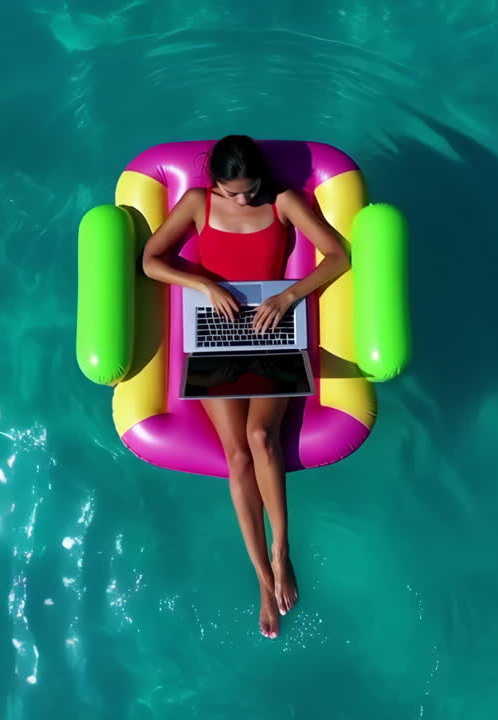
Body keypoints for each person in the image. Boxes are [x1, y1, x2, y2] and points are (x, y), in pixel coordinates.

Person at [141, 135, 349, 639]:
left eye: (250, 188)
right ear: (214, 183)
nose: (242, 200)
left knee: (260, 438)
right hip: (216, 330)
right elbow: (151, 260)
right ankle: (261, 579)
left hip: (273, 327)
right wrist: (205, 285)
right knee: (236, 456)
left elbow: (338, 256)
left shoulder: (283, 202)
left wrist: (290, 297)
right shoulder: (196, 203)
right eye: (231, 192)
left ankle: (282, 551)